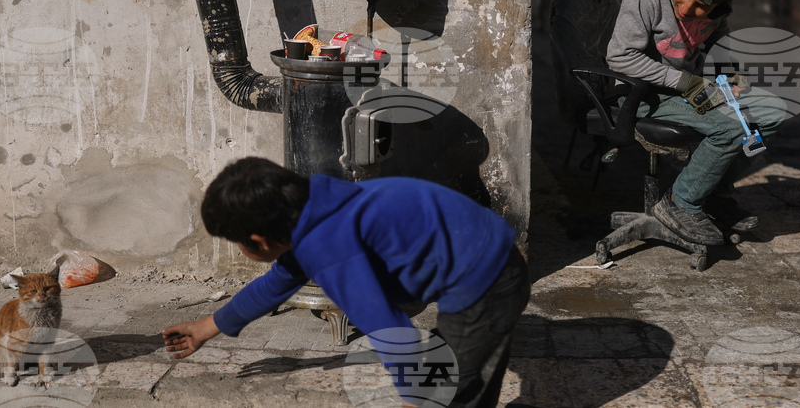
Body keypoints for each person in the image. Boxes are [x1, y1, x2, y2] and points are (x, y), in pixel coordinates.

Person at [162, 157, 530, 408]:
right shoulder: (319, 209)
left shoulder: (329, 247)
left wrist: (415, 395)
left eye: (237, 243)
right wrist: (206, 327)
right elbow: (275, 285)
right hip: (491, 260)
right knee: (468, 380)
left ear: (258, 240)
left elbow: (385, 325)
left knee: (448, 389)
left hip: (483, 281)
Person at [606, 0, 786, 246]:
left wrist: (730, 73)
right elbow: (620, 57)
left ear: (718, 6)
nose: (687, 9)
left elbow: (720, 41)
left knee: (771, 112)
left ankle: (713, 194)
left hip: (689, 88)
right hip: (642, 95)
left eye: (701, 5)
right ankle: (680, 203)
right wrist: (686, 83)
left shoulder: (714, 12)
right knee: (730, 128)